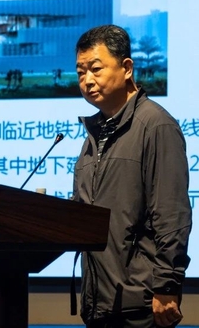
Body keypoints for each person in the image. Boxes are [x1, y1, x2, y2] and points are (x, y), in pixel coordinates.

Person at [72, 25, 192, 328]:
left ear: (126, 68)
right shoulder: (95, 136)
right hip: (99, 303)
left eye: (95, 69)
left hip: (141, 301)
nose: (87, 80)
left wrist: (167, 285)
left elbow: (171, 212)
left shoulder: (155, 125)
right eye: (80, 72)